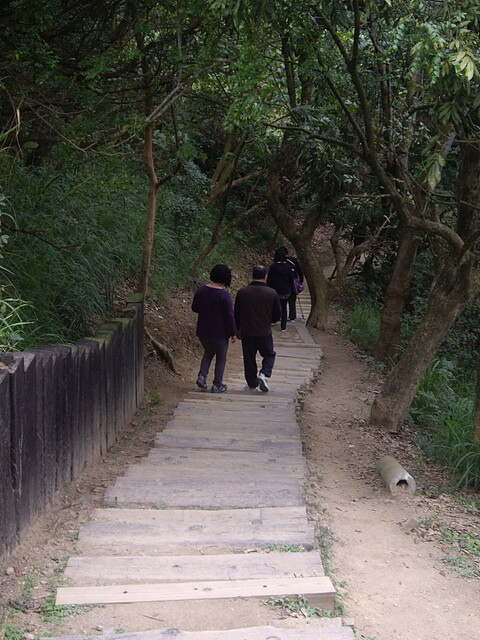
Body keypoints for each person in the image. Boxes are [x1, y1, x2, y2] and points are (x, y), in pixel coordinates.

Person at [234, 265, 281, 392]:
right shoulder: (272, 293)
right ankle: (264, 374)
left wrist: (237, 328)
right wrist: (268, 320)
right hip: (264, 331)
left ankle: (251, 384)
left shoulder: (242, 292)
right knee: (269, 354)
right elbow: (277, 314)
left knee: (249, 358)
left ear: (252, 276)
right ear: (265, 277)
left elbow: (236, 313)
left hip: (247, 331)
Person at [191, 264, 237, 393]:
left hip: (203, 330)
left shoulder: (201, 290)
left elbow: (194, 308)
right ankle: (217, 384)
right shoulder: (224, 295)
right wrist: (233, 332)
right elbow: (229, 316)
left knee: (208, 352)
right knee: (221, 357)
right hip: (220, 333)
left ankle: (202, 376)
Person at [266, 247, 295, 331]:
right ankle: (283, 326)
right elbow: (291, 280)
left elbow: (269, 280)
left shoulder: (272, 267)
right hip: (286, 291)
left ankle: (272, 320)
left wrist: (268, 289)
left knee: (274, 307)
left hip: (274, 291)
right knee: (284, 307)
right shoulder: (288, 267)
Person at [280, 246, 304, 323]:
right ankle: (292, 317)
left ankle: (281, 315)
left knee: (282, 301)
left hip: (282, 284)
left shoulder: (278, 262)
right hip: (292, 284)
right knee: (292, 301)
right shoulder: (293, 260)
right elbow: (300, 272)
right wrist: (300, 282)